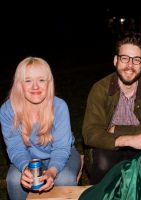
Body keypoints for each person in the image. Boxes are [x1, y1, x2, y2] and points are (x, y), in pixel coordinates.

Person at [82, 31, 141, 184]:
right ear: (115, 60)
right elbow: (90, 133)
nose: (129, 65)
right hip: (109, 147)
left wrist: (115, 129)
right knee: (103, 162)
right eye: (125, 58)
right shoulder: (100, 88)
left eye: (136, 60)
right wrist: (127, 140)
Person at [0, 57, 81, 200]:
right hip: (28, 158)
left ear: (49, 83)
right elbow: (15, 148)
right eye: (28, 80)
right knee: (14, 180)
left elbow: (62, 148)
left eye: (41, 80)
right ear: (19, 84)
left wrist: (51, 171)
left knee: (65, 179)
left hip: (63, 154)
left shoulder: (59, 106)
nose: (35, 86)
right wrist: (25, 168)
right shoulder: (8, 110)